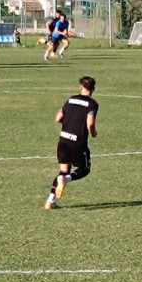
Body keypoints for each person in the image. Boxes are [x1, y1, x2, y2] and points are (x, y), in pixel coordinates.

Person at [45, 75, 99, 210]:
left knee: (63, 171)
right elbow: (90, 123)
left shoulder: (71, 100)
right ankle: (66, 180)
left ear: (80, 87)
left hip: (63, 140)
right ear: (93, 89)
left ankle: (50, 202)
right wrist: (93, 132)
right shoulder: (92, 104)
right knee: (85, 169)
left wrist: (70, 123)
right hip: (77, 142)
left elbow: (58, 118)